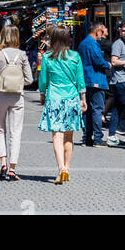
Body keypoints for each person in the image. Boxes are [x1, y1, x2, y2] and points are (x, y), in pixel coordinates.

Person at [38, 24, 86, 183]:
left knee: (57, 135)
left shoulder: (47, 57)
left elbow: (43, 80)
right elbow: (80, 80)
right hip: (71, 98)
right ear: (67, 39)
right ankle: (67, 165)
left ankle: (61, 168)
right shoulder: (75, 56)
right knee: (69, 135)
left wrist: (42, 95)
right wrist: (83, 99)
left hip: (54, 98)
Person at [0, 25, 33, 181]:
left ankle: (3, 162)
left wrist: (0, 82)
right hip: (17, 96)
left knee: (0, 129)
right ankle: (13, 168)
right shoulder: (22, 55)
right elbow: (30, 79)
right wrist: (18, 82)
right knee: (16, 132)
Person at [79, 22, 112, 147]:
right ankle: (98, 138)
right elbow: (98, 60)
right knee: (97, 109)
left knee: (86, 109)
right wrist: (108, 64)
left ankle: (87, 137)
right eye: (102, 32)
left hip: (85, 79)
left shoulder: (83, 43)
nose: (103, 35)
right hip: (96, 79)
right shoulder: (93, 44)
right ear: (97, 31)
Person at [106, 20, 125, 148]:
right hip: (121, 80)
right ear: (120, 31)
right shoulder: (118, 43)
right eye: (124, 31)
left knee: (118, 108)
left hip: (124, 79)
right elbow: (114, 62)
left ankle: (111, 136)